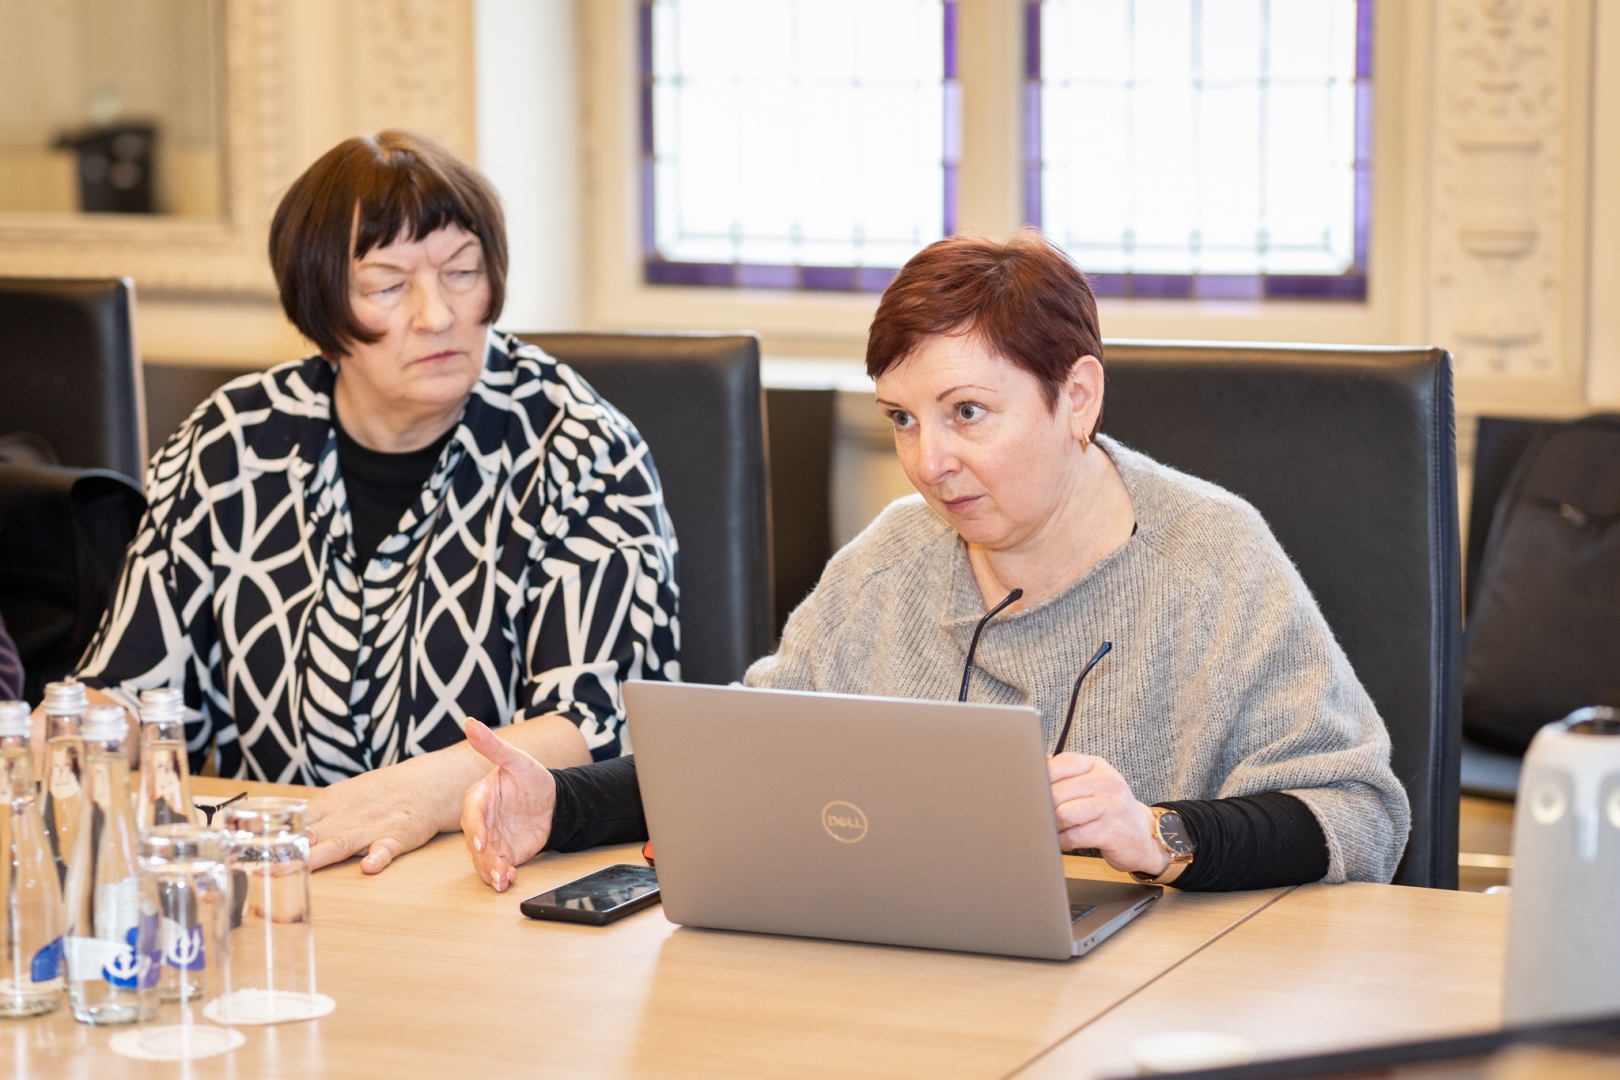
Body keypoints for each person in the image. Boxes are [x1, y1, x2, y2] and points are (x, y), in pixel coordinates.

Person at [459, 230, 1411, 894]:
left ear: (1077, 397)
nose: (929, 463)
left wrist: (1162, 833)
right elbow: (751, 757)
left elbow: (1362, 812)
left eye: (967, 414)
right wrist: (561, 804)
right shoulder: (893, 560)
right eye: (904, 421)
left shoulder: (1214, 559)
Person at [62, 131, 680, 874]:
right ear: (323, 312)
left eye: (462, 273)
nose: (438, 314)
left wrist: (412, 795)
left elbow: (598, 725)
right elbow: (126, 691)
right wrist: (67, 738)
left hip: (488, 874)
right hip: (276, 873)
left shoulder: (579, 449)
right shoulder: (229, 443)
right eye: (388, 286)